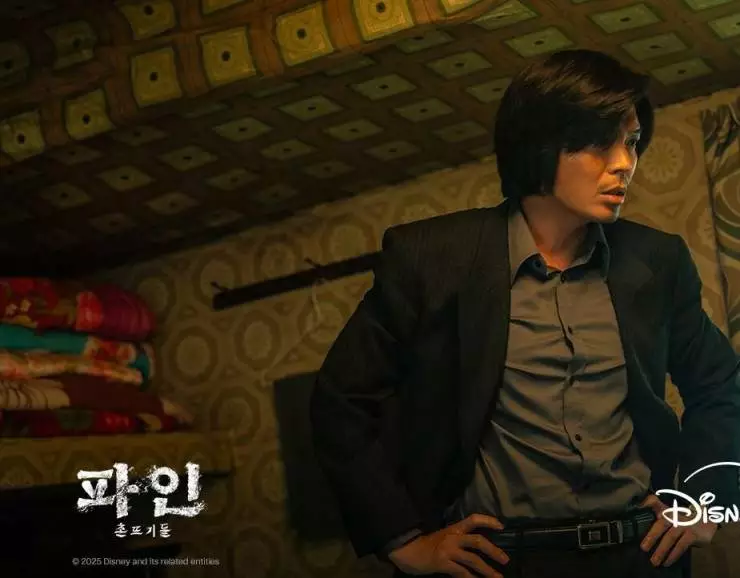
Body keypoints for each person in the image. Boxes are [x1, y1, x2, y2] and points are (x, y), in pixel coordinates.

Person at [309, 49, 740, 578]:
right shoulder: (432, 259)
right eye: (602, 142)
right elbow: (342, 400)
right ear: (541, 142)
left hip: (641, 556)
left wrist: (706, 501)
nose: (625, 162)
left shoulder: (657, 260)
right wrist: (402, 540)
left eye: (631, 142)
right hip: (499, 563)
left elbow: (720, 384)